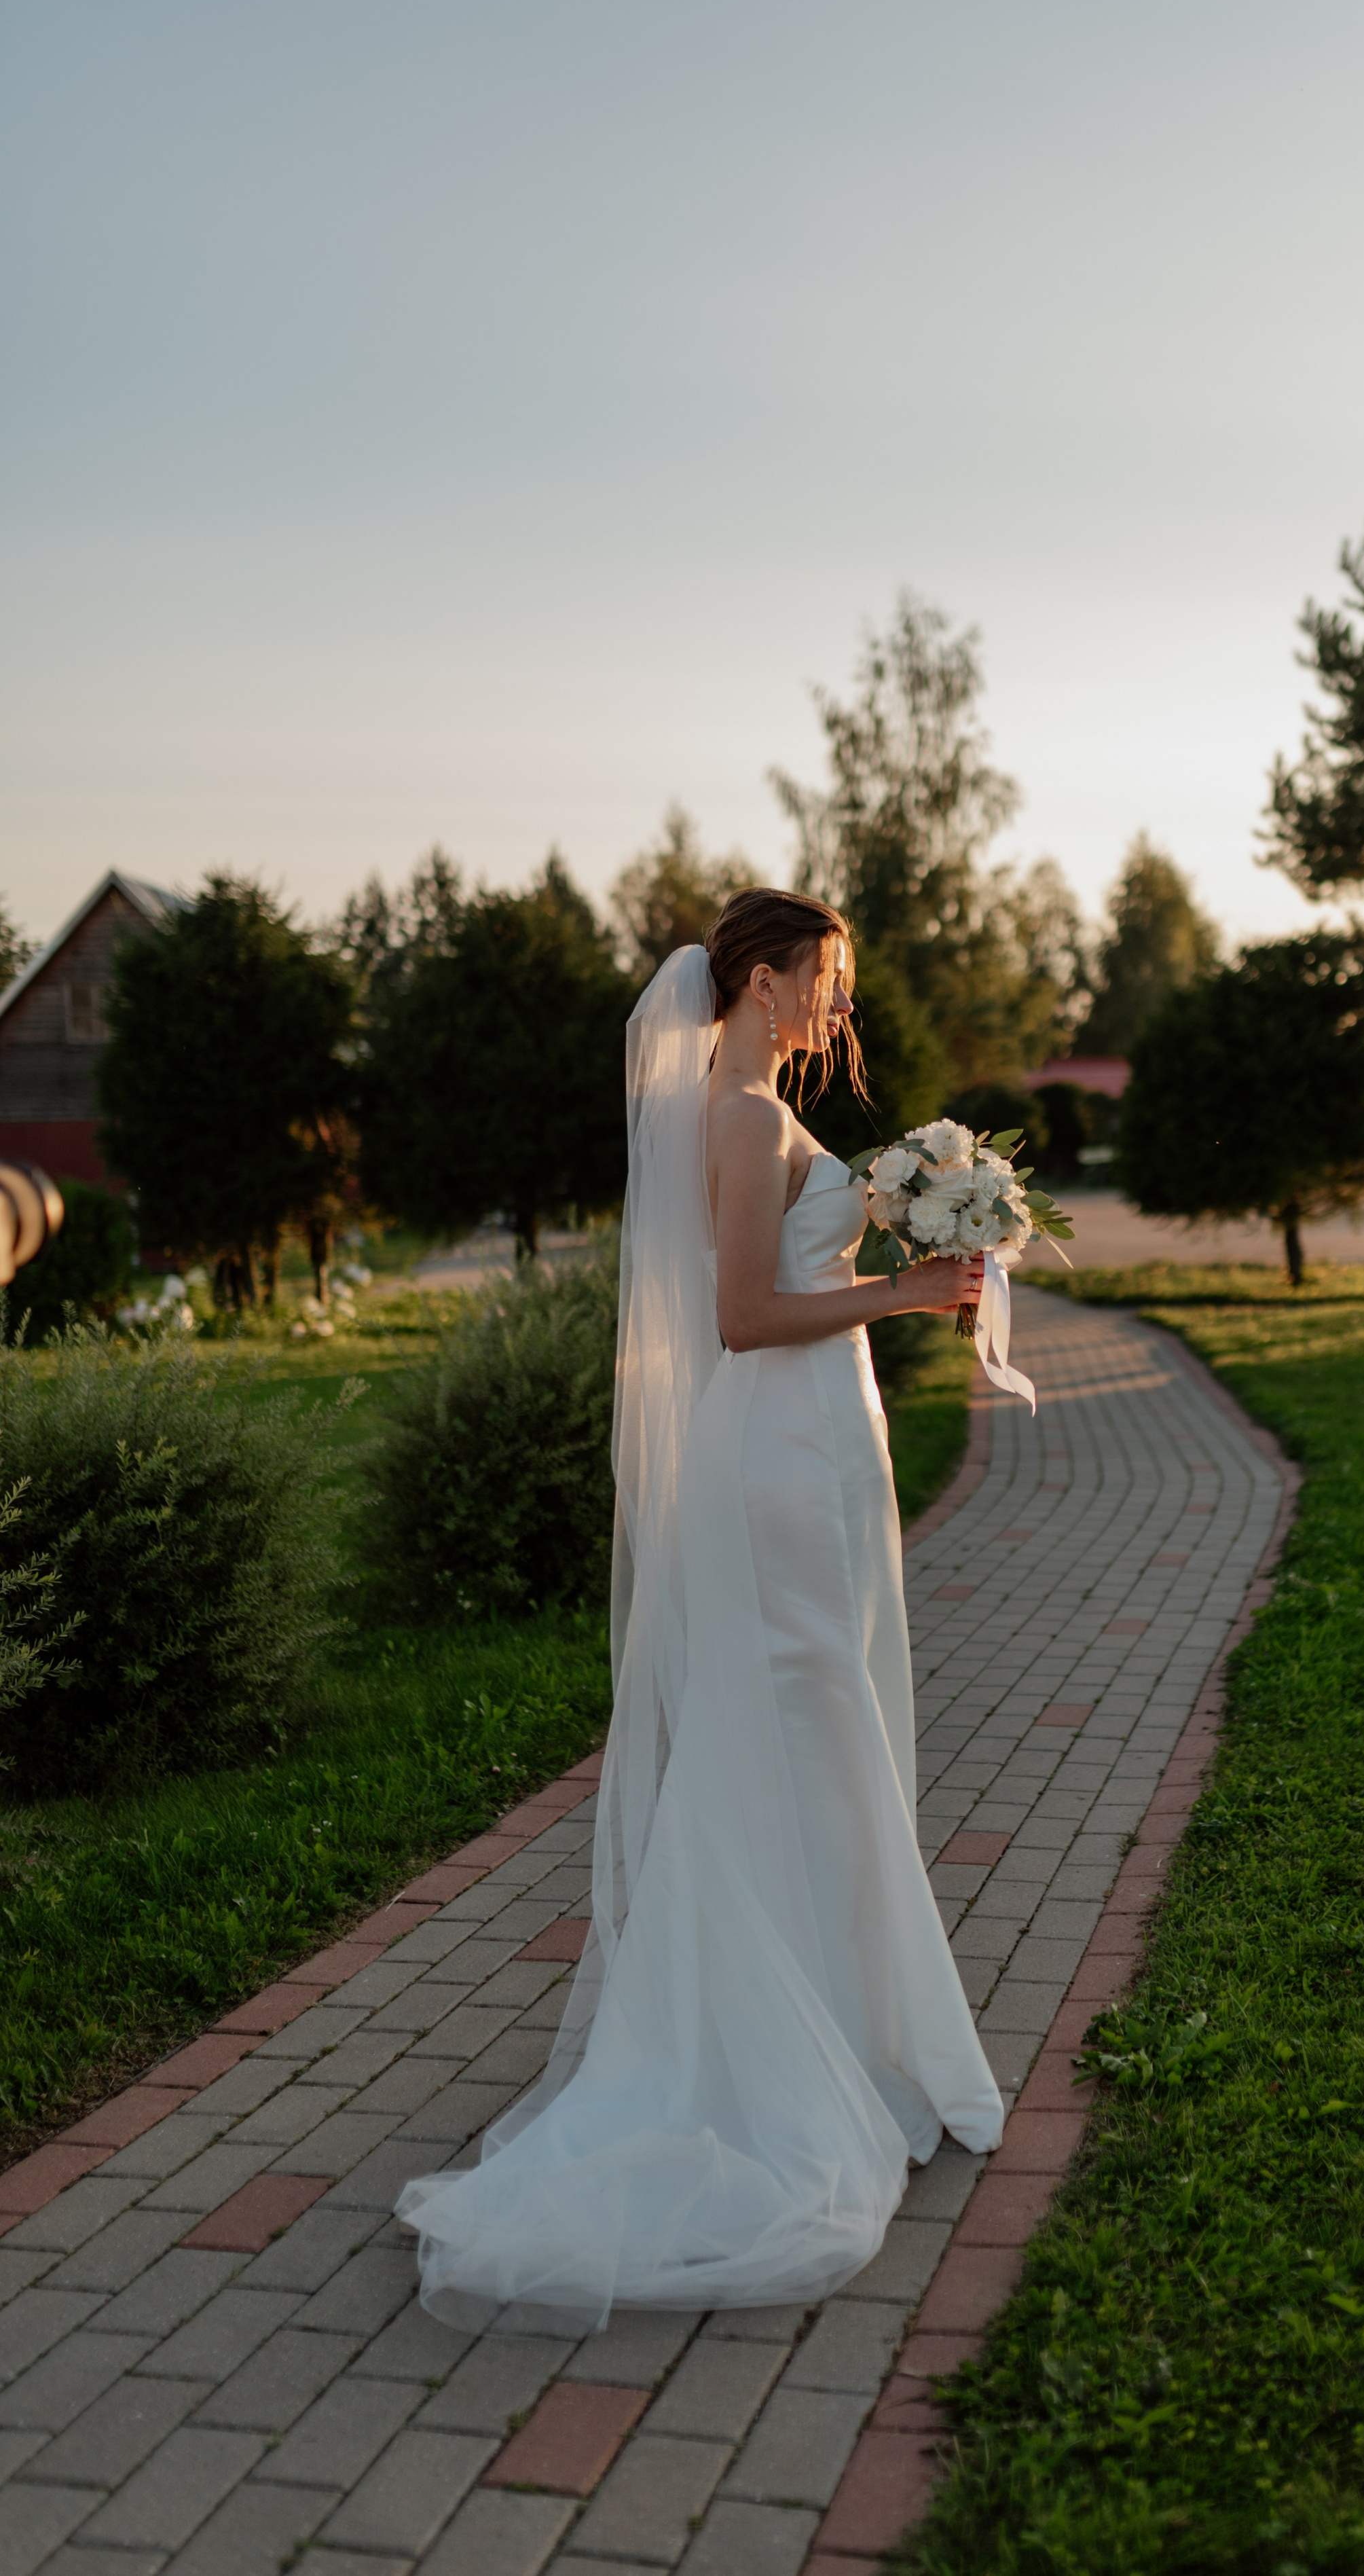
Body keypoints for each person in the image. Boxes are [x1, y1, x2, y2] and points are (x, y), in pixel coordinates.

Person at [397, 889, 1004, 2328]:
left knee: (816, 1733)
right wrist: (902, 1296)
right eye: (822, 978)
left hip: (819, 1450)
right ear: (754, 978)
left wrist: (905, 1253)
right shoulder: (736, 1116)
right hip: (773, 1458)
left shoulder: (759, 1112)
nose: (834, 1002)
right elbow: (740, 1313)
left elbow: (795, 1273)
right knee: (800, 1728)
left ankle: (843, 2030)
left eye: (839, 982)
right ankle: (780, 2057)